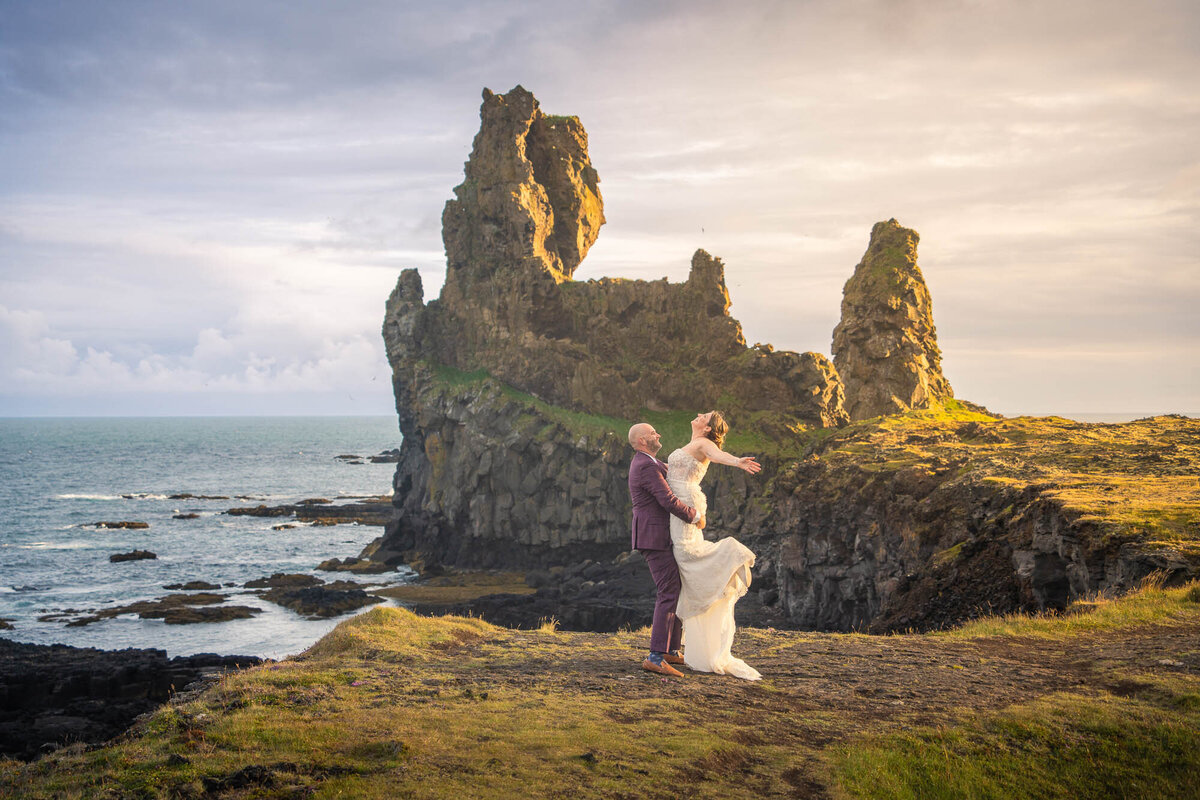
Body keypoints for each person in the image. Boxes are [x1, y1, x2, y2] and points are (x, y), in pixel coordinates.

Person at [667, 410, 762, 680]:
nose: (697, 414)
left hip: (686, 501)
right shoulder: (693, 443)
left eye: (704, 415)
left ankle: (729, 556)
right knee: (686, 556)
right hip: (685, 500)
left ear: (708, 428)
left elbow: (719, 455)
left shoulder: (702, 444)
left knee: (687, 556)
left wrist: (737, 461)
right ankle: (699, 621)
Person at [627, 421, 704, 678]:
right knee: (668, 591)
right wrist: (695, 516)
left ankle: (670, 650)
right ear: (641, 441)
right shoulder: (645, 465)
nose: (657, 434)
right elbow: (667, 499)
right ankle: (655, 656)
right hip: (654, 538)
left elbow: (676, 477)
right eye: (652, 432)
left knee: (675, 588)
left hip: (659, 537)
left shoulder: (650, 463)